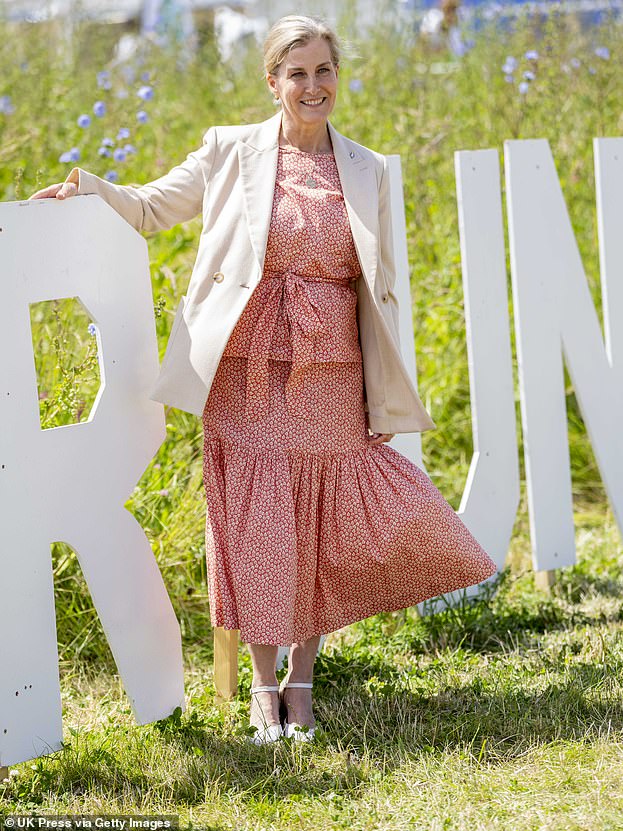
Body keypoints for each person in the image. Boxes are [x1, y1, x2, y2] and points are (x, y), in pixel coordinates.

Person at [30, 14, 497, 745]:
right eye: (298, 73)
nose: (314, 86)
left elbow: (381, 286)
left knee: (315, 523)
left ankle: (302, 686)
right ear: (273, 82)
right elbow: (152, 209)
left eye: (324, 71)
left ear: (337, 77)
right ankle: (261, 686)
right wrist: (86, 189)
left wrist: (383, 389)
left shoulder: (368, 167)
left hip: (332, 371)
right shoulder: (230, 151)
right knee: (256, 525)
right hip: (244, 368)